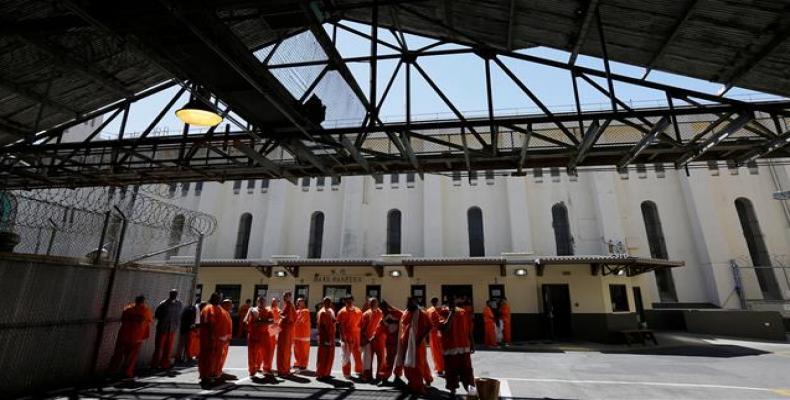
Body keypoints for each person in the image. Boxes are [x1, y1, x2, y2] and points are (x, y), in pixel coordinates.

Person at [438, 296, 476, 397]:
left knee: (466, 372)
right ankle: (455, 392)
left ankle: (471, 393)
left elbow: (468, 329)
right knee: (453, 372)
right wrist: (452, 313)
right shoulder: (444, 312)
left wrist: (472, 343)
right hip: (453, 348)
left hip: (460, 348)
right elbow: (445, 328)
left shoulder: (462, 312)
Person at [109, 295, 153, 378]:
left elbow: (122, 319)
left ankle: (112, 371)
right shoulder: (146, 310)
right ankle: (128, 372)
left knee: (118, 354)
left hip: (124, 335)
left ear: (135, 300)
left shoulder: (128, 309)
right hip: (137, 337)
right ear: (143, 301)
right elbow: (150, 320)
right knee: (132, 356)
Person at [397, 297, 433, 395]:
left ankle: (419, 386)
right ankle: (412, 383)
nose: (409, 304)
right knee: (407, 365)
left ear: (416, 302)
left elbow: (429, 326)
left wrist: (420, 339)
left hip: (417, 344)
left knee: (418, 365)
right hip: (405, 343)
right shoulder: (405, 313)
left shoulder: (422, 313)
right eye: (408, 302)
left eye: (411, 302)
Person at [199, 293, 231, 383]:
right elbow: (210, 323)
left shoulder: (219, 309)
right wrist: (213, 336)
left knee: (216, 357)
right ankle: (206, 375)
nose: (218, 300)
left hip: (219, 339)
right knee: (208, 357)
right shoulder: (209, 308)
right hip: (210, 339)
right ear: (212, 299)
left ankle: (213, 373)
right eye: (217, 298)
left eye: (219, 298)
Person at [151, 289, 183, 369]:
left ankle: (165, 364)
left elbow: (179, 315)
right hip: (163, 328)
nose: (174, 295)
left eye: (175, 294)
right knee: (159, 347)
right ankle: (155, 364)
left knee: (168, 348)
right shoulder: (164, 304)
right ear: (169, 294)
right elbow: (157, 314)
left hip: (172, 329)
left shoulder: (179, 304)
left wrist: (176, 324)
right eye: (172, 294)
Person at [336, 295, 363, 379]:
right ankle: (347, 373)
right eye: (347, 301)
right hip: (346, 336)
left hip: (357, 336)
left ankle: (359, 370)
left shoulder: (359, 311)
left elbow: (361, 324)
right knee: (346, 355)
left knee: (358, 353)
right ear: (345, 302)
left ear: (353, 300)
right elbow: (339, 325)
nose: (349, 302)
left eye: (350, 300)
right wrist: (342, 337)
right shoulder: (341, 312)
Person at [246, 296, 274, 377]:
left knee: (267, 353)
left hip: (265, 335)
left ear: (265, 302)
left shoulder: (269, 311)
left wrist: (259, 322)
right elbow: (249, 322)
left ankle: (267, 369)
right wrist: (264, 322)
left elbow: (271, 321)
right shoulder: (252, 310)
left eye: (263, 301)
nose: (261, 303)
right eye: (260, 301)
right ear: (257, 302)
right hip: (253, 335)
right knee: (252, 354)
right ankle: (252, 370)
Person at [378, 300, 404, 386]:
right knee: (388, 360)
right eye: (381, 309)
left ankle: (397, 377)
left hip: (398, 341)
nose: (382, 310)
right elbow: (382, 328)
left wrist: (394, 322)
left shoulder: (397, 313)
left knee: (399, 360)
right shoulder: (383, 317)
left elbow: (404, 320)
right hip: (389, 341)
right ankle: (385, 378)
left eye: (383, 308)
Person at [359, 297, 384, 382]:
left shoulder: (381, 313)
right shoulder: (366, 314)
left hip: (379, 339)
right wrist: (363, 339)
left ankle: (379, 375)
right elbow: (362, 328)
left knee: (381, 358)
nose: (374, 304)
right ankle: (367, 375)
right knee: (368, 359)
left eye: (375, 302)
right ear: (369, 304)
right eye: (372, 303)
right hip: (368, 340)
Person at [316, 297, 337, 380]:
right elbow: (322, 327)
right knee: (323, 356)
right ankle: (321, 374)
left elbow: (332, 321)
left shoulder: (331, 311)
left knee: (330, 356)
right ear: (323, 303)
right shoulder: (322, 312)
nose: (328, 303)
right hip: (325, 337)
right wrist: (326, 339)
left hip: (331, 336)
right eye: (326, 302)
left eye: (329, 302)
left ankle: (327, 373)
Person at [277, 291, 296, 376]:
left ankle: (283, 370)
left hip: (285, 331)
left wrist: (280, 315)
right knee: (285, 350)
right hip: (286, 331)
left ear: (290, 297)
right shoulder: (288, 305)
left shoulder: (289, 306)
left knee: (284, 350)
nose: (284, 298)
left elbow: (287, 318)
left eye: (286, 296)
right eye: (284, 296)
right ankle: (285, 369)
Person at [426, 297, 445, 376]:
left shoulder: (428, 310)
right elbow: (439, 322)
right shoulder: (436, 311)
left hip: (431, 333)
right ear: (437, 302)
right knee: (438, 351)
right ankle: (440, 368)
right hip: (436, 332)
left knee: (434, 351)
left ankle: (439, 368)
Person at [293, 297, 311, 371]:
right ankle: (298, 363)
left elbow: (301, 322)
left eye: (302, 301)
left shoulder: (305, 311)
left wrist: (294, 323)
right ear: (297, 303)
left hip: (304, 335)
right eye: (299, 301)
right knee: (296, 350)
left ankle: (303, 364)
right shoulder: (296, 311)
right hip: (296, 334)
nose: (301, 302)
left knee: (304, 351)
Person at [218, 299, 234, 376]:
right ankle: (216, 370)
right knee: (219, 355)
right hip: (221, 338)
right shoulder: (221, 312)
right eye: (230, 305)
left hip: (226, 338)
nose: (231, 306)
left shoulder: (226, 313)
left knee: (223, 355)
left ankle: (219, 369)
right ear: (224, 305)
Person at [265, 297, 281, 372]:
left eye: (276, 302)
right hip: (266, 330)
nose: (274, 303)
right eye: (273, 301)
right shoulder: (267, 309)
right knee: (265, 349)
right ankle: (265, 366)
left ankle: (268, 366)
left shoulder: (279, 310)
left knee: (271, 349)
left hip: (273, 330)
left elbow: (280, 320)